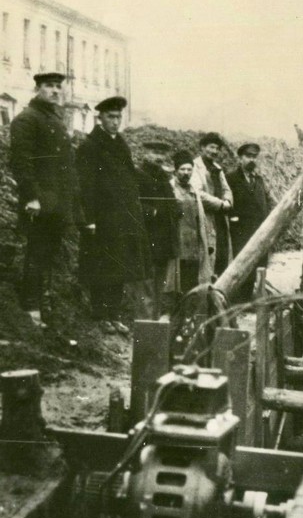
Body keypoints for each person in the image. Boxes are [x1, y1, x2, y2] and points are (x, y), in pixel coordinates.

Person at [9, 71, 81, 328]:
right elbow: (21, 162)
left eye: (58, 86)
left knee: (49, 255)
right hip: (39, 204)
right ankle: (31, 308)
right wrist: (31, 197)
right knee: (36, 254)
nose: (55, 91)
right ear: (37, 89)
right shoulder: (27, 119)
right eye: (49, 86)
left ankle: (44, 306)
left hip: (57, 204)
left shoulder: (55, 120)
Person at [76, 96, 151, 334]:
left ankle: (114, 315)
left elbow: (129, 178)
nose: (115, 122)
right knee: (101, 267)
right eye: (111, 117)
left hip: (123, 219)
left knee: (119, 267)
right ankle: (100, 315)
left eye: (118, 117)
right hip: (103, 219)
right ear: (100, 118)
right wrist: (88, 219)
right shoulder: (90, 146)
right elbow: (85, 186)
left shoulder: (121, 144)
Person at [227, 142, 274, 302]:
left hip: (259, 231)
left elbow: (266, 201)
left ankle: (255, 299)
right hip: (240, 231)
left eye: (254, 157)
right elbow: (227, 201)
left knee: (260, 265)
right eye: (248, 156)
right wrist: (233, 220)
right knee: (242, 265)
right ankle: (240, 300)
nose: (251, 160)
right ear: (240, 158)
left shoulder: (259, 180)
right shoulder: (231, 178)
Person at [136, 140, 179, 318]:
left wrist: (176, 210)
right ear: (145, 153)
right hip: (146, 238)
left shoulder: (164, 178)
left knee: (159, 285)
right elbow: (130, 203)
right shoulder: (137, 174)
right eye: (154, 153)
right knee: (146, 284)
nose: (159, 157)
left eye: (162, 154)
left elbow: (172, 202)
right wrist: (150, 212)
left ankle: (154, 322)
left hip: (163, 241)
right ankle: (145, 324)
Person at [167, 150, 214, 302]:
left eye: (189, 169)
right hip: (178, 242)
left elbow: (201, 218)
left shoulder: (194, 190)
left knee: (192, 281)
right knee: (175, 281)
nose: (186, 173)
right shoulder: (170, 189)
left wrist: (205, 241)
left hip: (193, 244)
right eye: (182, 169)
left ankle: (189, 308)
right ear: (175, 170)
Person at [191, 132, 233, 276]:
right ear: (202, 147)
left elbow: (227, 189)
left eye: (217, 148)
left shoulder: (217, 168)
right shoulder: (195, 167)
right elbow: (198, 193)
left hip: (220, 218)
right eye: (211, 147)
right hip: (206, 217)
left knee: (222, 253)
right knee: (208, 254)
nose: (214, 151)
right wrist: (220, 204)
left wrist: (228, 201)